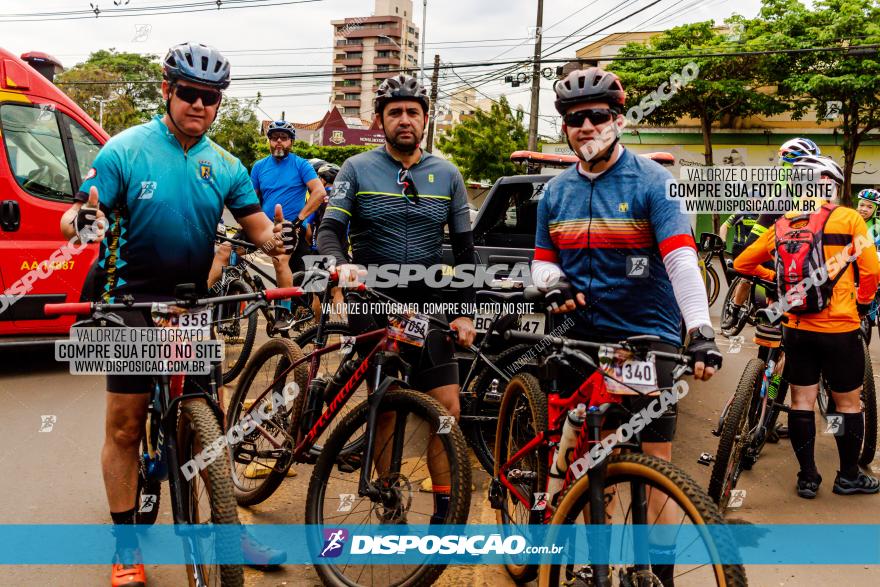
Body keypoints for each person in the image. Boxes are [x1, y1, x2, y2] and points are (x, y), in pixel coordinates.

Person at [59, 42, 291, 587]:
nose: (200, 105)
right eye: (189, 93)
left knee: (210, 414)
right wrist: (82, 221)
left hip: (191, 300)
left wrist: (275, 238)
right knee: (125, 424)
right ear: (168, 91)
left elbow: (255, 224)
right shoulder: (124, 149)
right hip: (127, 300)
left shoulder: (226, 163)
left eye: (210, 98)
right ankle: (125, 546)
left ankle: (228, 526)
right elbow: (78, 218)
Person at [533, 67, 722, 586]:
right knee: (593, 456)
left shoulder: (655, 182)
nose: (586, 126)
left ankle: (657, 573)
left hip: (645, 336)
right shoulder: (555, 193)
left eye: (598, 116)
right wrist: (551, 284)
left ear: (618, 120)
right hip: (580, 334)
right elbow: (542, 262)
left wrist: (700, 331)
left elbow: (683, 260)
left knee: (654, 460)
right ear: (566, 128)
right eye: (575, 119)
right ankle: (594, 559)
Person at [316, 74, 477, 524]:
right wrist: (338, 263)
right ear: (379, 120)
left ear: (425, 118)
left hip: (427, 305)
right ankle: (389, 503)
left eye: (412, 112)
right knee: (387, 403)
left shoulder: (446, 175)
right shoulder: (356, 168)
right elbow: (329, 230)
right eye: (395, 113)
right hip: (373, 299)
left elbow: (465, 251)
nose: (404, 120)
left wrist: (464, 312)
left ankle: (445, 512)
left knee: (447, 406)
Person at [734, 155, 880, 499]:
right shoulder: (849, 219)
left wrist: (781, 282)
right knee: (847, 405)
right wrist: (860, 303)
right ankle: (847, 476)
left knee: (801, 400)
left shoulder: (785, 223)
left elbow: (743, 263)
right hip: (840, 328)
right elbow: (872, 271)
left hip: (796, 327)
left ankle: (808, 477)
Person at [721, 138, 823, 330]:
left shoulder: (816, 198)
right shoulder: (779, 194)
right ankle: (735, 309)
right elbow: (756, 239)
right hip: (771, 244)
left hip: (798, 251)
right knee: (748, 275)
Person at [251, 120, 327, 329]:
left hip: (291, 227)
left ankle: (286, 315)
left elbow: (319, 192)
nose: (278, 142)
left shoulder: (301, 164)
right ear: (269, 141)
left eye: (284, 138)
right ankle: (210, 304)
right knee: (227, 250)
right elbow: (251, 200)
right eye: (274, 138)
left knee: (285, 263)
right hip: (263, 226)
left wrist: (299, 220)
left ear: (291, 142)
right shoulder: (259, 167)